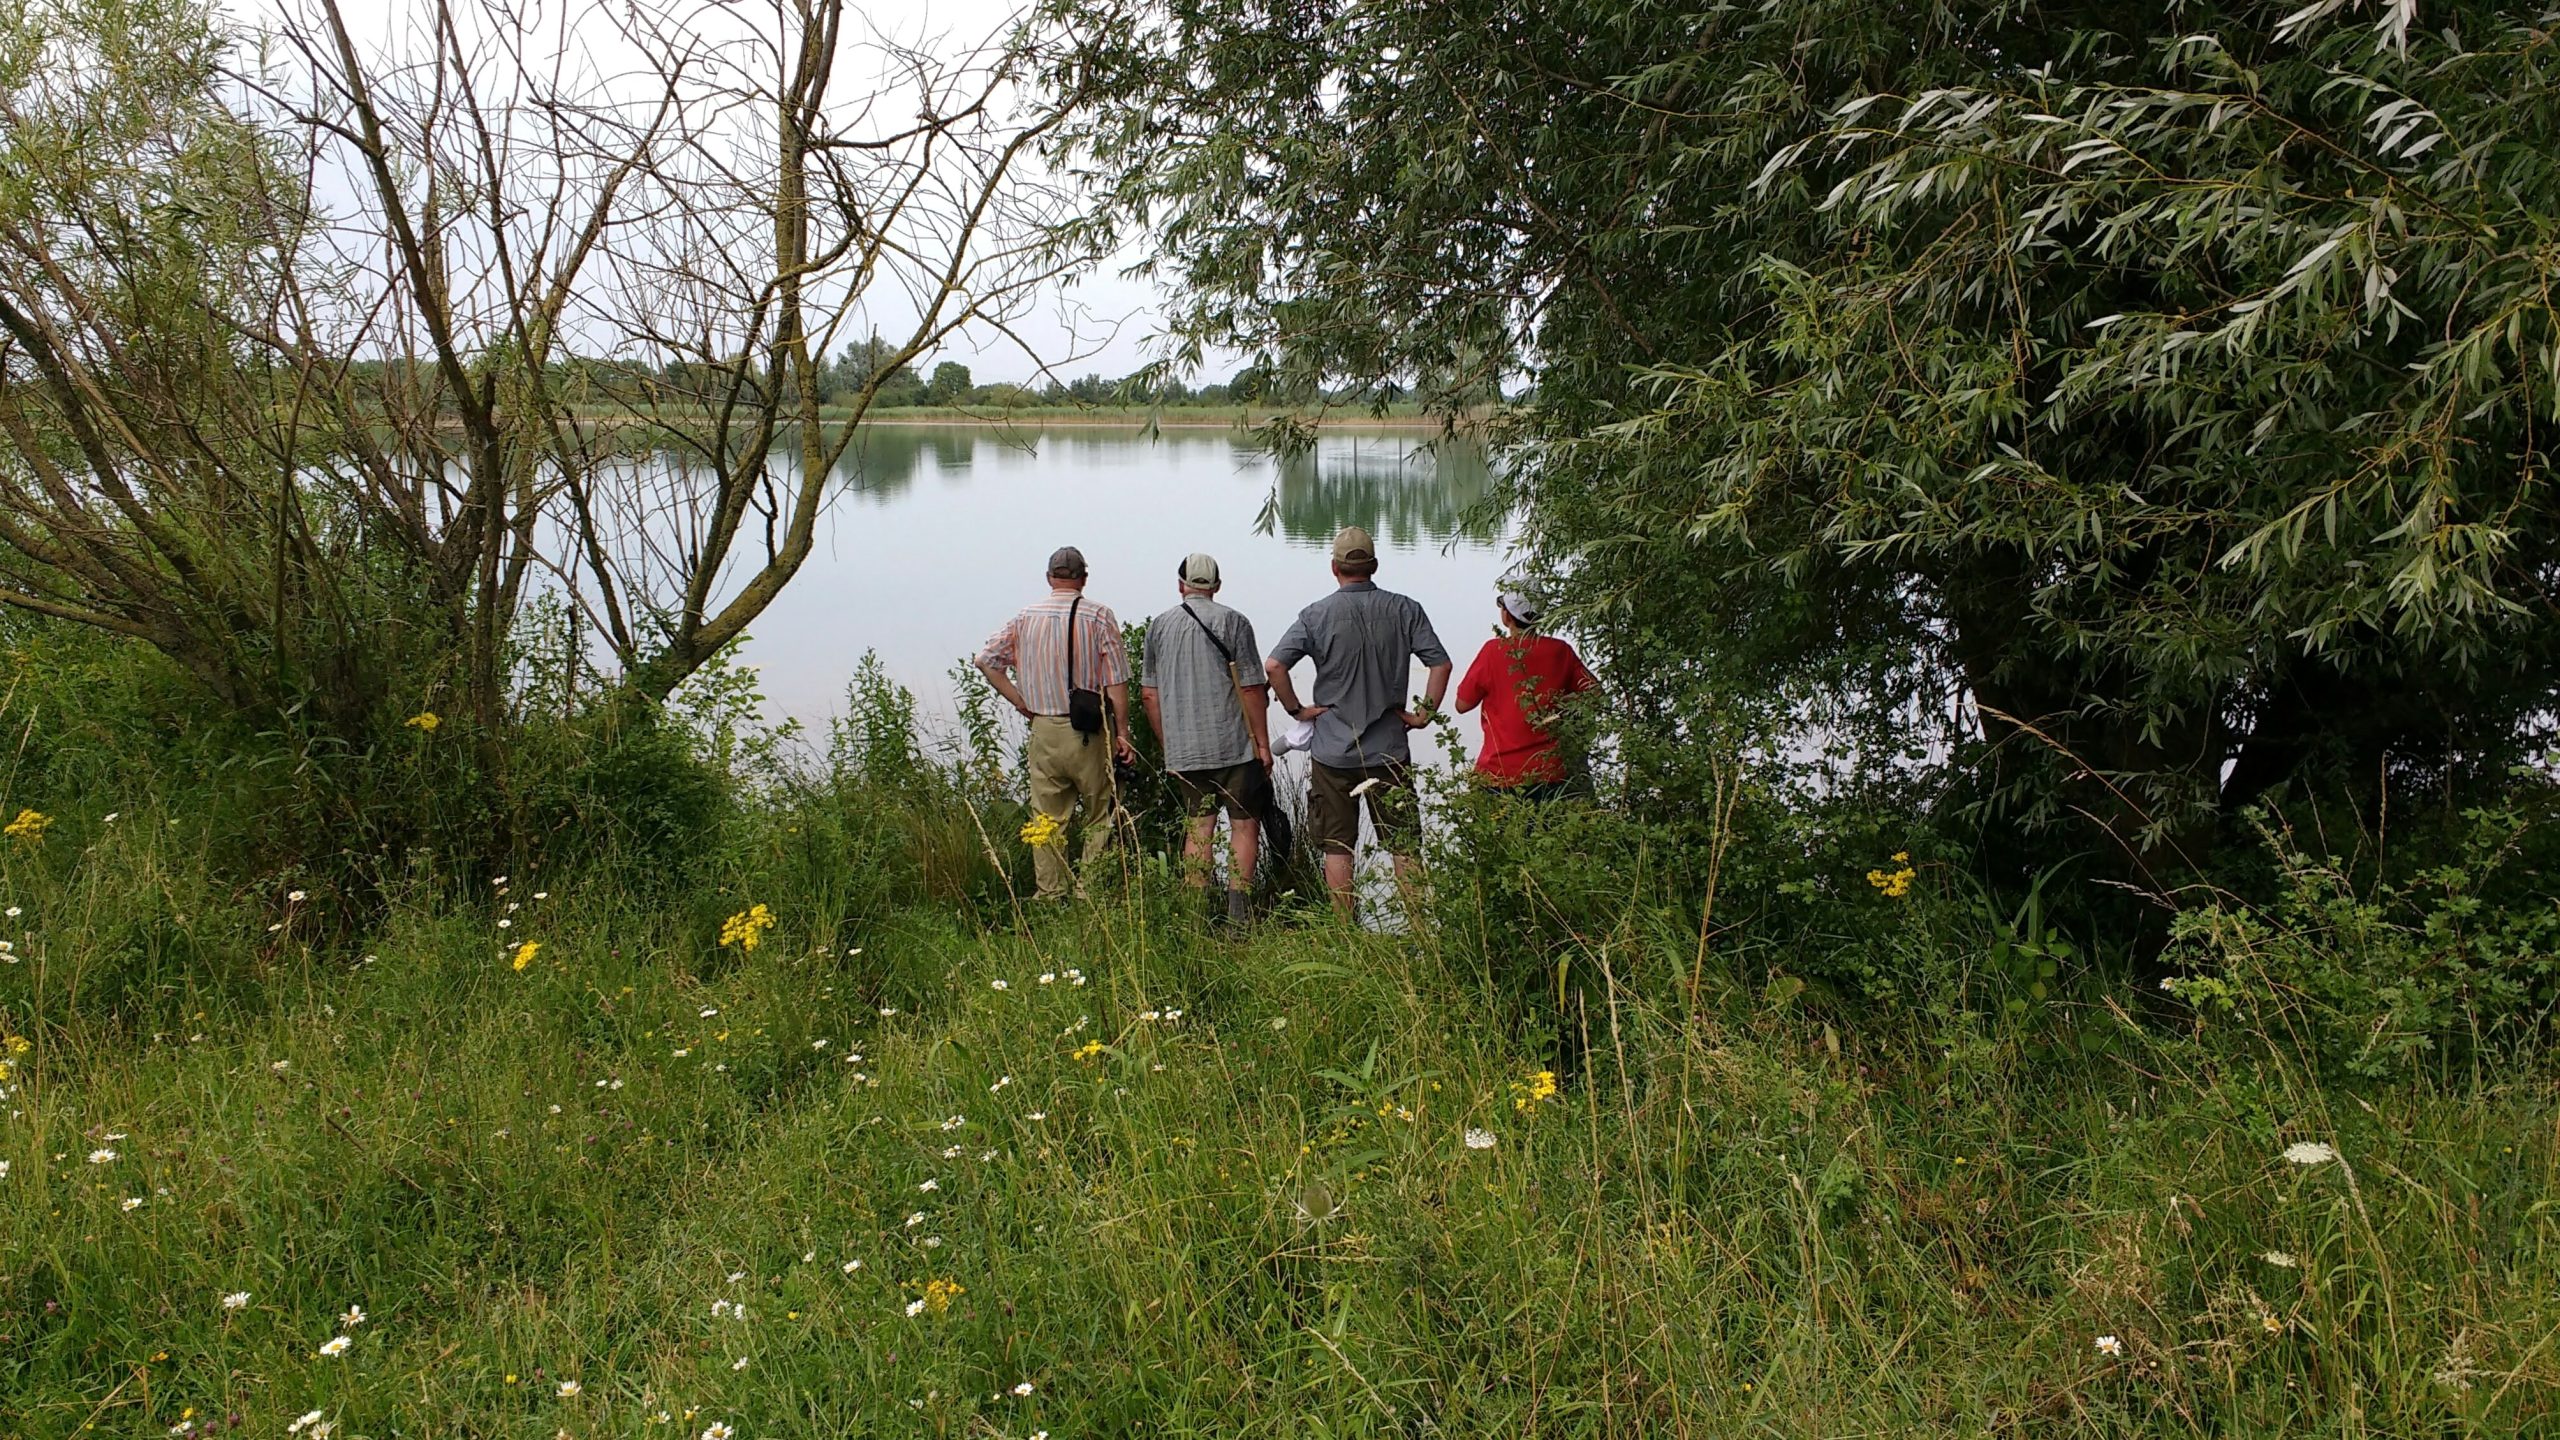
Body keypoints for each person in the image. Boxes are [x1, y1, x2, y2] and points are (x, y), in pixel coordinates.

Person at [1264, 526, 1452, 919]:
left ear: (1334, 567)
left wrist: (1297, 710)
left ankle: (1344, 934)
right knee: (1404, 845)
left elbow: (1275, 665)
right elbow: (1440, 663)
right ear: (1375, 565)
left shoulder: (1315, 615)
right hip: (1390, 751)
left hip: (1333, 753)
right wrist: (1423, 715)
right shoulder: (1405, 609)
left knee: (1337, 846)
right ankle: (1420, 931)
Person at [976, 546, 1136, 901]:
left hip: (1044, 729)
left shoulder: (1025, 617)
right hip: (1089, 731)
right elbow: (1116, 681)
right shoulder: (1098, 616)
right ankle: (1088, 892)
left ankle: (1049, 894)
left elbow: (986, 660)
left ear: (1049, 578)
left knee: (1046, 819)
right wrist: (1123, 733)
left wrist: (1021, 702)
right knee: (1101, 813)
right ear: (1083, 578)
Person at [1141, 552, 1272, 928]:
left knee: (1199, 826)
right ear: (1216, 586)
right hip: (1234, 746)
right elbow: (1250, 688)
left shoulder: (1159, 627)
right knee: (1244, 825)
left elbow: (1149, 694)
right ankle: (1238, 920)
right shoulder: (1234, 622)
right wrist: (1262, 743)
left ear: (1181, 585)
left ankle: (1195, 919)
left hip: (1186, 752)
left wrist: (1171, 746)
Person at [1454, 589, 1599, 797]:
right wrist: (1562, 705)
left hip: (1499, 773)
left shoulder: (1493, 651)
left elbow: (1462, 704)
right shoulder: (1560, 650)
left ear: (1506, 616)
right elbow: (1595, 693)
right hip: (1552, 773)